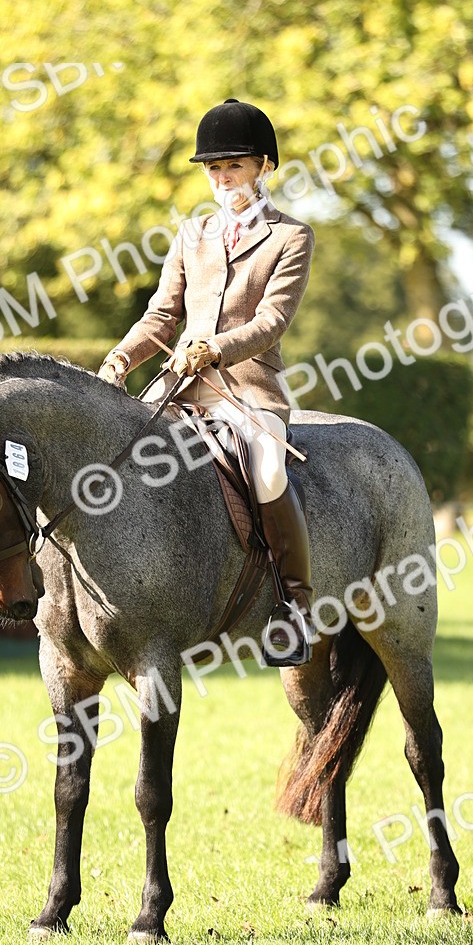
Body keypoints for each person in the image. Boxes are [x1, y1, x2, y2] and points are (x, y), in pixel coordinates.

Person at [98, 98, 317, 665]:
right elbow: (161, 317)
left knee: (268, 470)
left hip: (248, 390)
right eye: (214, 170)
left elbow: (273, 321)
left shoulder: (290, 237)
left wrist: (216, 347)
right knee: (117, 448)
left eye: (234, 167)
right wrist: (121, 360)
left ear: (264, 166)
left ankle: (293, 607)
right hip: (178, 385)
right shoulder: (191, 233)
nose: (222, 180)